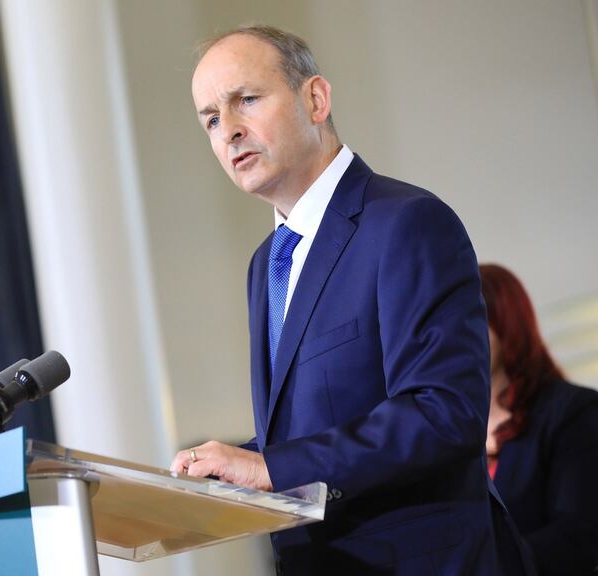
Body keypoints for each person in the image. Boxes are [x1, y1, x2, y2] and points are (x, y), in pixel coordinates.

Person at [170, 25, 530, 574]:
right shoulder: (266, 263)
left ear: (315, 99)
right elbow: (310, 426)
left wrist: (270, 467)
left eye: (246, 100)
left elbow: (443, 410)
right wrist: (226, 469)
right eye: (212, 120)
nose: (230, 132)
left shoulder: (406, 222)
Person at [481, 263, 598, 574]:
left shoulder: (573, 410)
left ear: (506, 321)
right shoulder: (451, 426)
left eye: (472, 322)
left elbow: (578, 536)